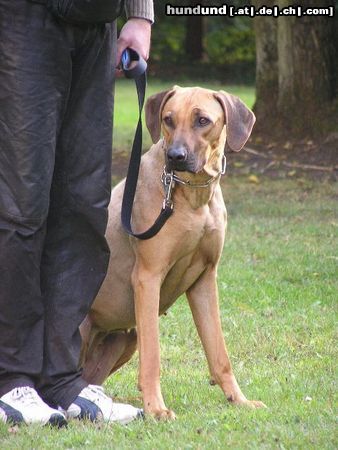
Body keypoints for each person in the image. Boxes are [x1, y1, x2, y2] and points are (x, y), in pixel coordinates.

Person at [0, 0, 153, 426]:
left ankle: (61, 378)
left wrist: (140, 14)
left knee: (83, 205)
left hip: (96, 19)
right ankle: (11, 378)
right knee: (21, 207)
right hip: (21, 19)